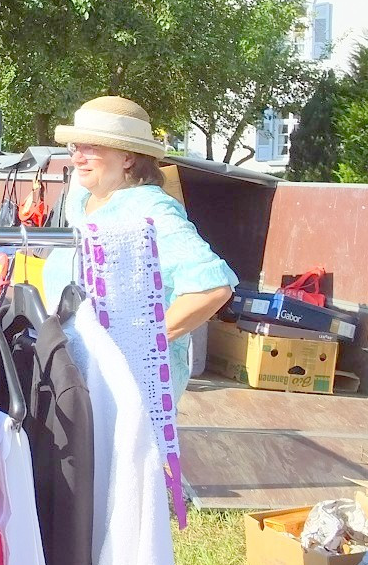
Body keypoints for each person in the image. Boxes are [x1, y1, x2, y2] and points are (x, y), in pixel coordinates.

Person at [44, 95, 238, 399]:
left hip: (129, 392)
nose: (77, 158)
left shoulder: (149, 208)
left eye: (91, 147)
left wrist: (143, 345)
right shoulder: (82, 203)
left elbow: (213, 287)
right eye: (75, 146)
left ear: (128, 158)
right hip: (82, 380)